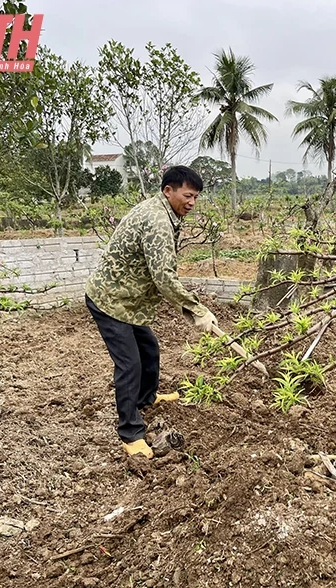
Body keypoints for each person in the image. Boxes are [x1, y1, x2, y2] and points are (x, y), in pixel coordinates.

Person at [85, 165, 218, 459]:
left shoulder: (164, 212)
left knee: (149, 349)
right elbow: (164, 277)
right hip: (110, 300)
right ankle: (130, 432)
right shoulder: (157, 220)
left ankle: (147, 397)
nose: (192, 203)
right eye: (188, 195)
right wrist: (197, 309)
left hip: (128, 300)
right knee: (130, 365)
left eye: (195, 197)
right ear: (168, 190)